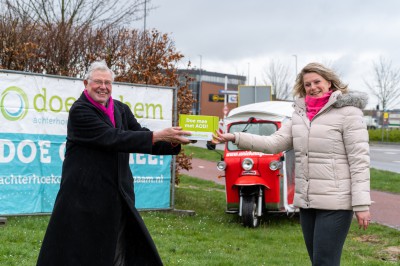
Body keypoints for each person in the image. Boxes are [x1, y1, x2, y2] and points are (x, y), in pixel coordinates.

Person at [213, 62, 371, 266]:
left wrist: (361, 204)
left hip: (336, 203)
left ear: (330, 83)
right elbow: (273, 143)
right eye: (307, 84)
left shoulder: (349, 114)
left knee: (325, 262)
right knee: (317, 261)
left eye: (317, 82)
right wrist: (234, 137)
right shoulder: (300, 115)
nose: (313, 87)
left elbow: (359, 161)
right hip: (307, 203)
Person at [37, 60, 191, 265]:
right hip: (84, 198)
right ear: (86, 83)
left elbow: (139, 135)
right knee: (82, 252)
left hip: (116, 195)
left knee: (117, 250)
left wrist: (173, 141)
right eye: (98, 82)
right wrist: (157, 135)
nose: (103, 87)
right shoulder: (80, 111)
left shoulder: (120, 108)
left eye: (108, 82)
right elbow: (113, 138)